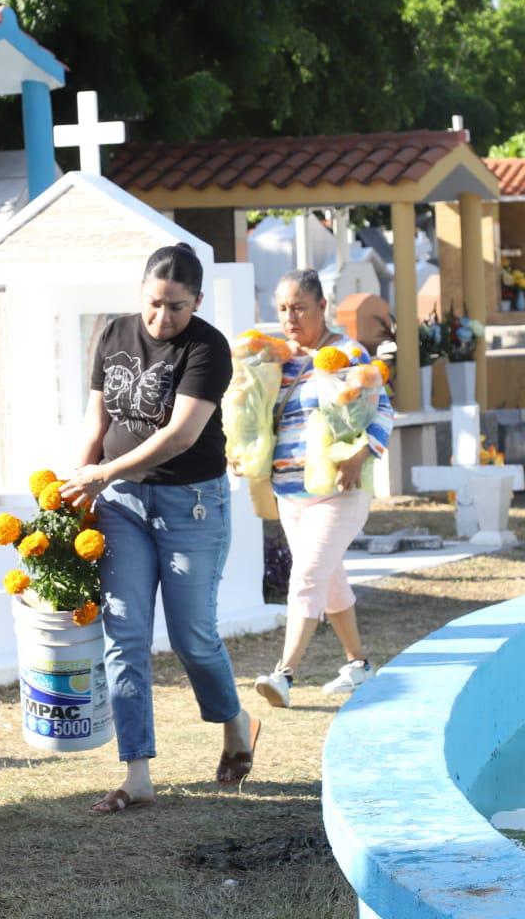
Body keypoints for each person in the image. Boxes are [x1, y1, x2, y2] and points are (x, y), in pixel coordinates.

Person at [61, 243, 258, 815]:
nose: (161, 318)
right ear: (140, 293)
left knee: (193, 637)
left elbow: (179, 435)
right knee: (124, 635)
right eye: (153, 304)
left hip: (190, 503)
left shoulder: (208, 348)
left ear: (196, 301)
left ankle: (236, 722)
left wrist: (102, 473)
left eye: (176, 307)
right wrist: (76, 484)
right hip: (119, 504)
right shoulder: (114, 333)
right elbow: (96, 419)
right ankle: (137, 773)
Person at [252, 270, 393, 708]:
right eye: (282, 308)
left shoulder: (346, 353)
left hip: (338, 489)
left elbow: (384, 412)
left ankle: (285, 674)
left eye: (298, 307)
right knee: (328, 579)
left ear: (321, 308)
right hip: (290, 491)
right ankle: (360, 664)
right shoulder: (278, 358)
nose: (289, 317)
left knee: (307, 577)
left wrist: (358, 457)